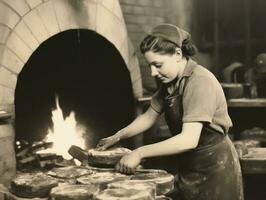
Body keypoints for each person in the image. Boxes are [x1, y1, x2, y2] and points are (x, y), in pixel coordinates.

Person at [96, 24, 244, 200]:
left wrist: (138, 152)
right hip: (191, 164)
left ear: (178, 54)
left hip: (215, 167)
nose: (153, 72)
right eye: (150, 65)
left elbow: (188, 140)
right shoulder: (170, 83)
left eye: (157, 65)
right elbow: (148, 116)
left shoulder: (199, 81)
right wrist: (118, 136)